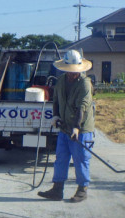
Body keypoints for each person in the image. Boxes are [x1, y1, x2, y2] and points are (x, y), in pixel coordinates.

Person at [38, 49, 95, 203]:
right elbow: (56, 100)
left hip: (81, 129)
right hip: (64, 127)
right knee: (61, 158)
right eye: (69, 71)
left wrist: (76, 128)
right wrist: (56, 116)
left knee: (81, 159)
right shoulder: (61, 80)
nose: (71, 74)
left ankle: (82, 190)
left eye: (74, 71)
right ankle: (57, 189)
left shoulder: (85, 84)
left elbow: (81, 107)